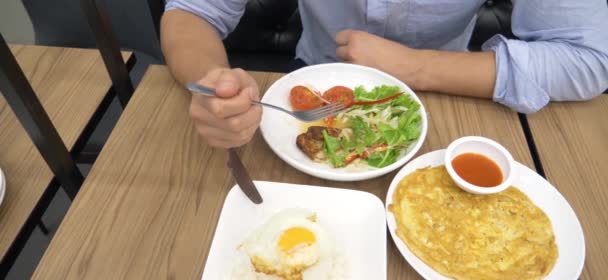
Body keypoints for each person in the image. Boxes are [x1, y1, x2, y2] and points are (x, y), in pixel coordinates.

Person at [161, 0, 608, 148]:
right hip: (308, 97)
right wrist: (212, 81)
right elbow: (193, 10)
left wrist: (415, 66)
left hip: (452, 98)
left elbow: (589, 58)